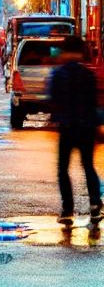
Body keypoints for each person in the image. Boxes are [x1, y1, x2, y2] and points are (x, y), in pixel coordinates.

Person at [48, 35, 103, 227]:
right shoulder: (88, 75)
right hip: (86, 127)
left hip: (67, 127)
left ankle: (67, 209)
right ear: (80, 52)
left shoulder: (58, 74)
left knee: (63, 169)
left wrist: (56, 120)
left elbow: (52, 100)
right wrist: (97, 127)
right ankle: (95, 204)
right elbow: (94, 103)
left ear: (64, 52)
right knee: (88, 166)